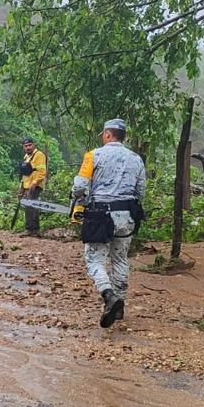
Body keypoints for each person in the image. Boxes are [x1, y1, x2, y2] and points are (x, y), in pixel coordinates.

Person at [72, 118, 146, 327]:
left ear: (107, 134)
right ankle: (120, 306)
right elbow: (140, 191)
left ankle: (109, 295)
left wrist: (79, 201)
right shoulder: (136, 159)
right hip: (127, 215)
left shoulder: (93, 155)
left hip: (100, 215)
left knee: (94, 259)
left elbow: (80, 186)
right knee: (120, 258)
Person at [18, 137, 48, 235]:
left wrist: (35, 183)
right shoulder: (26, 157)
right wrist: (22, 187)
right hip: (27, 184)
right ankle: (34, 229)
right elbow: (25, 173)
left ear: (33, 145)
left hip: (35, 185)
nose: (28, 148)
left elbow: (42, 172)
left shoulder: (39, 155)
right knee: (30, 206)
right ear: (23, 147)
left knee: (30, 205)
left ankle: (30, 229)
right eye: (26, 146)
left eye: (30, 145)